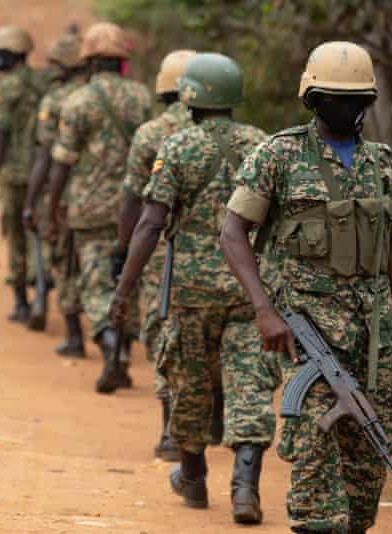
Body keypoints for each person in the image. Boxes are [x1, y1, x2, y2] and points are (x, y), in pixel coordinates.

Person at [219, 41, 392, 533]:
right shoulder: (279, 154)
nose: (348, 109)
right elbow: (232, 233)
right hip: (308, 339)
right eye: (335, 99)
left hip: (372, 344)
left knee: (363, 481)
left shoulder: (380, 163)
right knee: (314, 474)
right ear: (312, 98)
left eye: (357, 100)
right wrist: (264, 310)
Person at [110, 53, 274, 520]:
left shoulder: (177, 147)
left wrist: (123, 289)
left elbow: (149, 224)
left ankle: (195, 479)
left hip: (190, 290)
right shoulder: (261, 145)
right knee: (250, 383)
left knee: (189, 384)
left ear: (191, 97)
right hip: (251, 287)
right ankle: (245, 487)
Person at [45, 22, 152, 393]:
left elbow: (62, 161)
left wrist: (51, 207)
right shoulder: (141, 97)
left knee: (95, 283)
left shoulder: (77, 101)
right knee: (128, 280)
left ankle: (108, 349)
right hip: (134, 208)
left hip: (88, 209)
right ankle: (122, 352)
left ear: (88, 60)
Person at [115, 48, 196, 461]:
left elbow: (133, 201)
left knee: (164, 335)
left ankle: (171, 430)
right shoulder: (245, 137)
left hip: (162, 255)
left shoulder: (151, 133)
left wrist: (124, 247)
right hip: (226, 260)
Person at [22, 32, 88, 351]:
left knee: (63, 262)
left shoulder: (56, 99)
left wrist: (33, 202)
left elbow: (45, 156)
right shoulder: (98, 94)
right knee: (99, 265)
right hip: (106, 199)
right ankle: (117, 342)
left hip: (63, 197)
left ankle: (74, 336)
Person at [0, 26, 50, 324]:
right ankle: (42, 296)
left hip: (13, 175)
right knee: (40, 235)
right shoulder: (43, 83)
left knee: (15, 238)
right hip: (44, 174)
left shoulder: (4, 88)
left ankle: (21, 303)